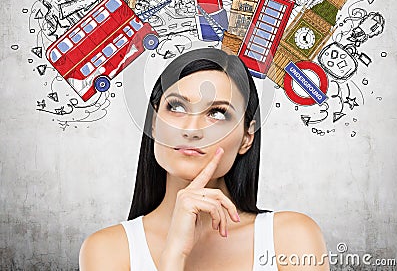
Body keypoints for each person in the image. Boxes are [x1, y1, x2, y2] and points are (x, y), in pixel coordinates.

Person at [79, 47, 329, 270]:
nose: (192, 129)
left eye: (218, 113)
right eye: (176, 107)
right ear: (154, 123)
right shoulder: (107, 250)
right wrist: (174, 255)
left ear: (246, 137)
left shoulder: (291, 237)